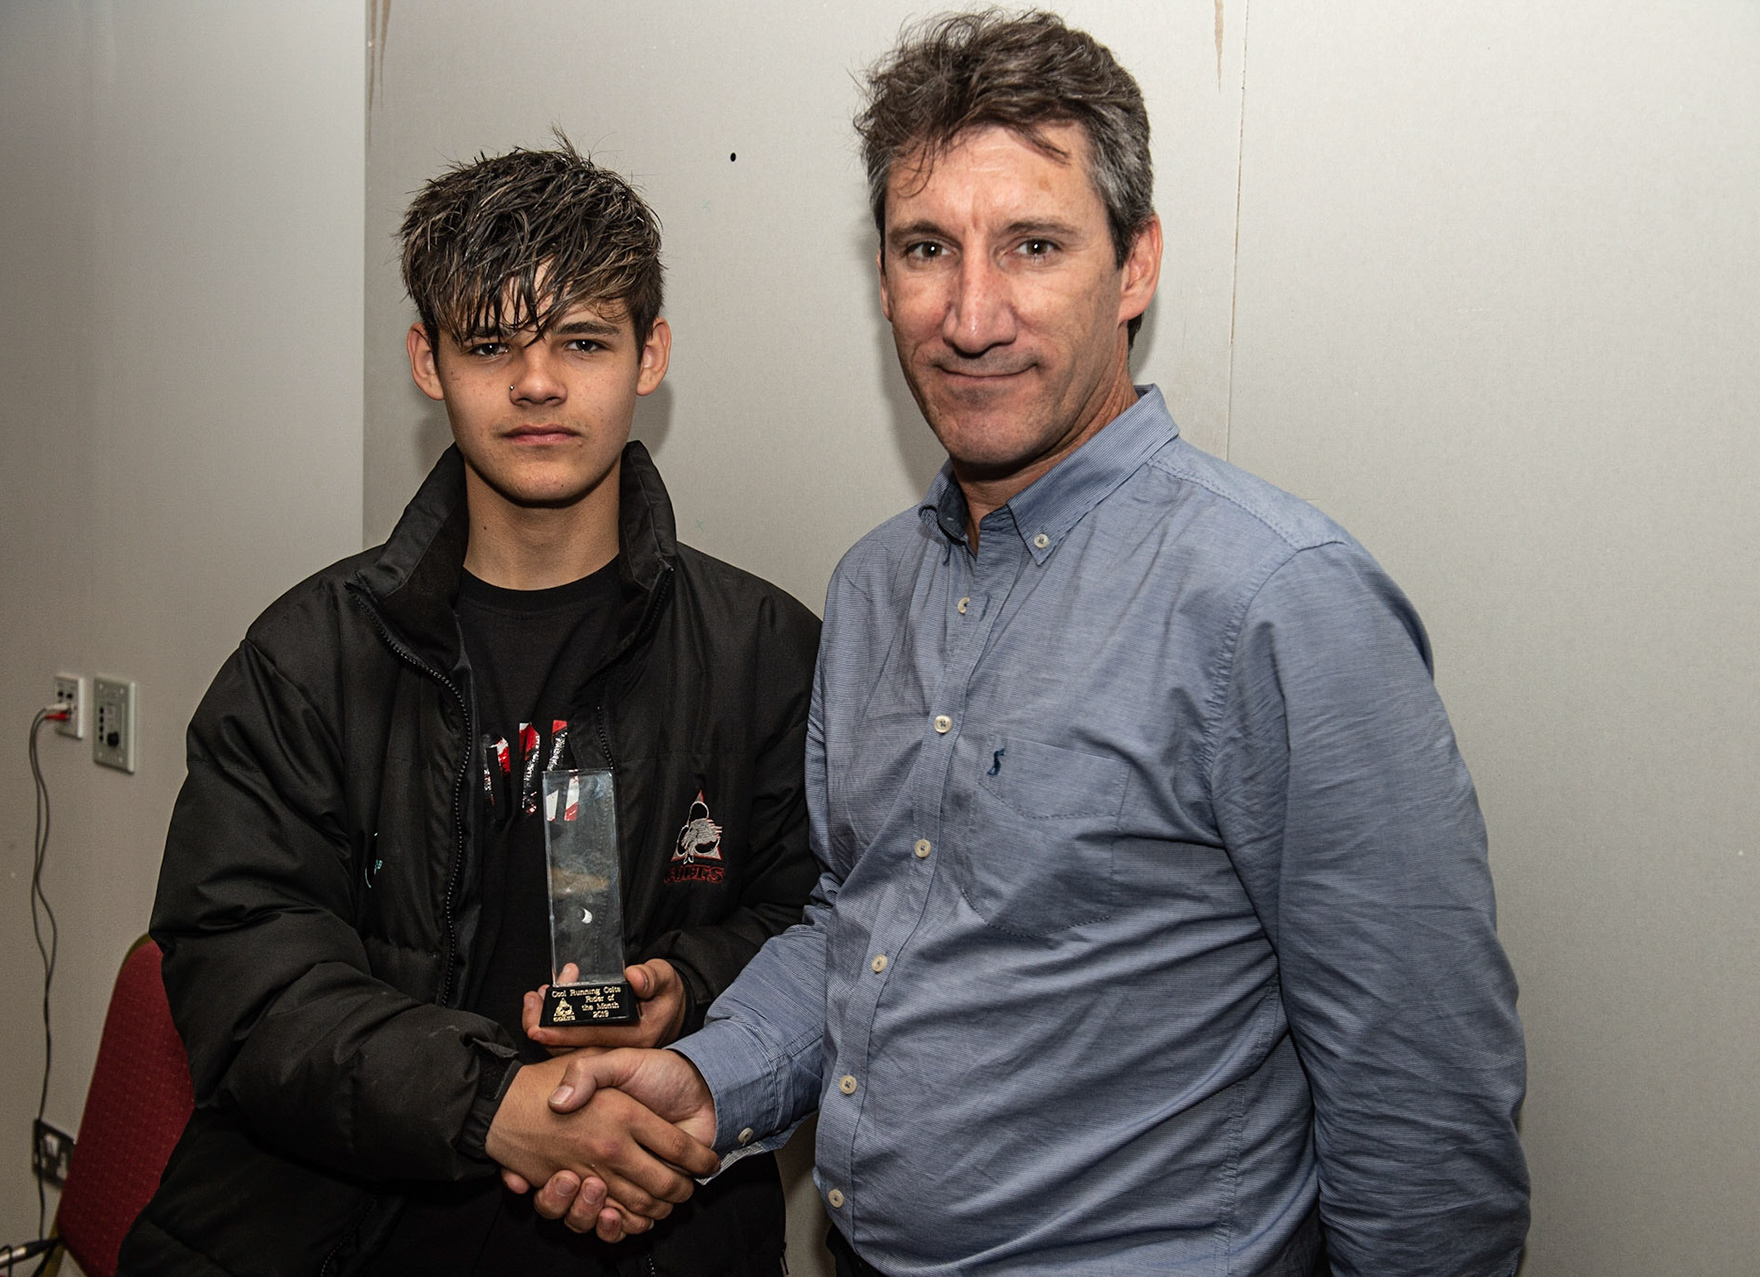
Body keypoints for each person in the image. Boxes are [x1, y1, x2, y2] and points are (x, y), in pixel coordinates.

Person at [521, 12, 1530, 1276]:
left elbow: (1422, 1105)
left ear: (1136, 264)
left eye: (1033, 246)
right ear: (882, 277)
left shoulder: (1278, 601)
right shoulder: (876, 585)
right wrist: (709, 1082)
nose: (971, 314)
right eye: (926, 249)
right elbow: (861, 924)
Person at [120, 142, 820, 1276]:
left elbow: (827, 927)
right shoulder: (307, 658)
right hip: (346, 1234)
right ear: (427, 360)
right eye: (491, 344)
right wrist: (494, 1103)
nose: (537, 384)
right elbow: (238, 968)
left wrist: (689, 984)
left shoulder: (768, 653)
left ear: (650, 355)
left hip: (656, 1228)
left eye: (582, 341)